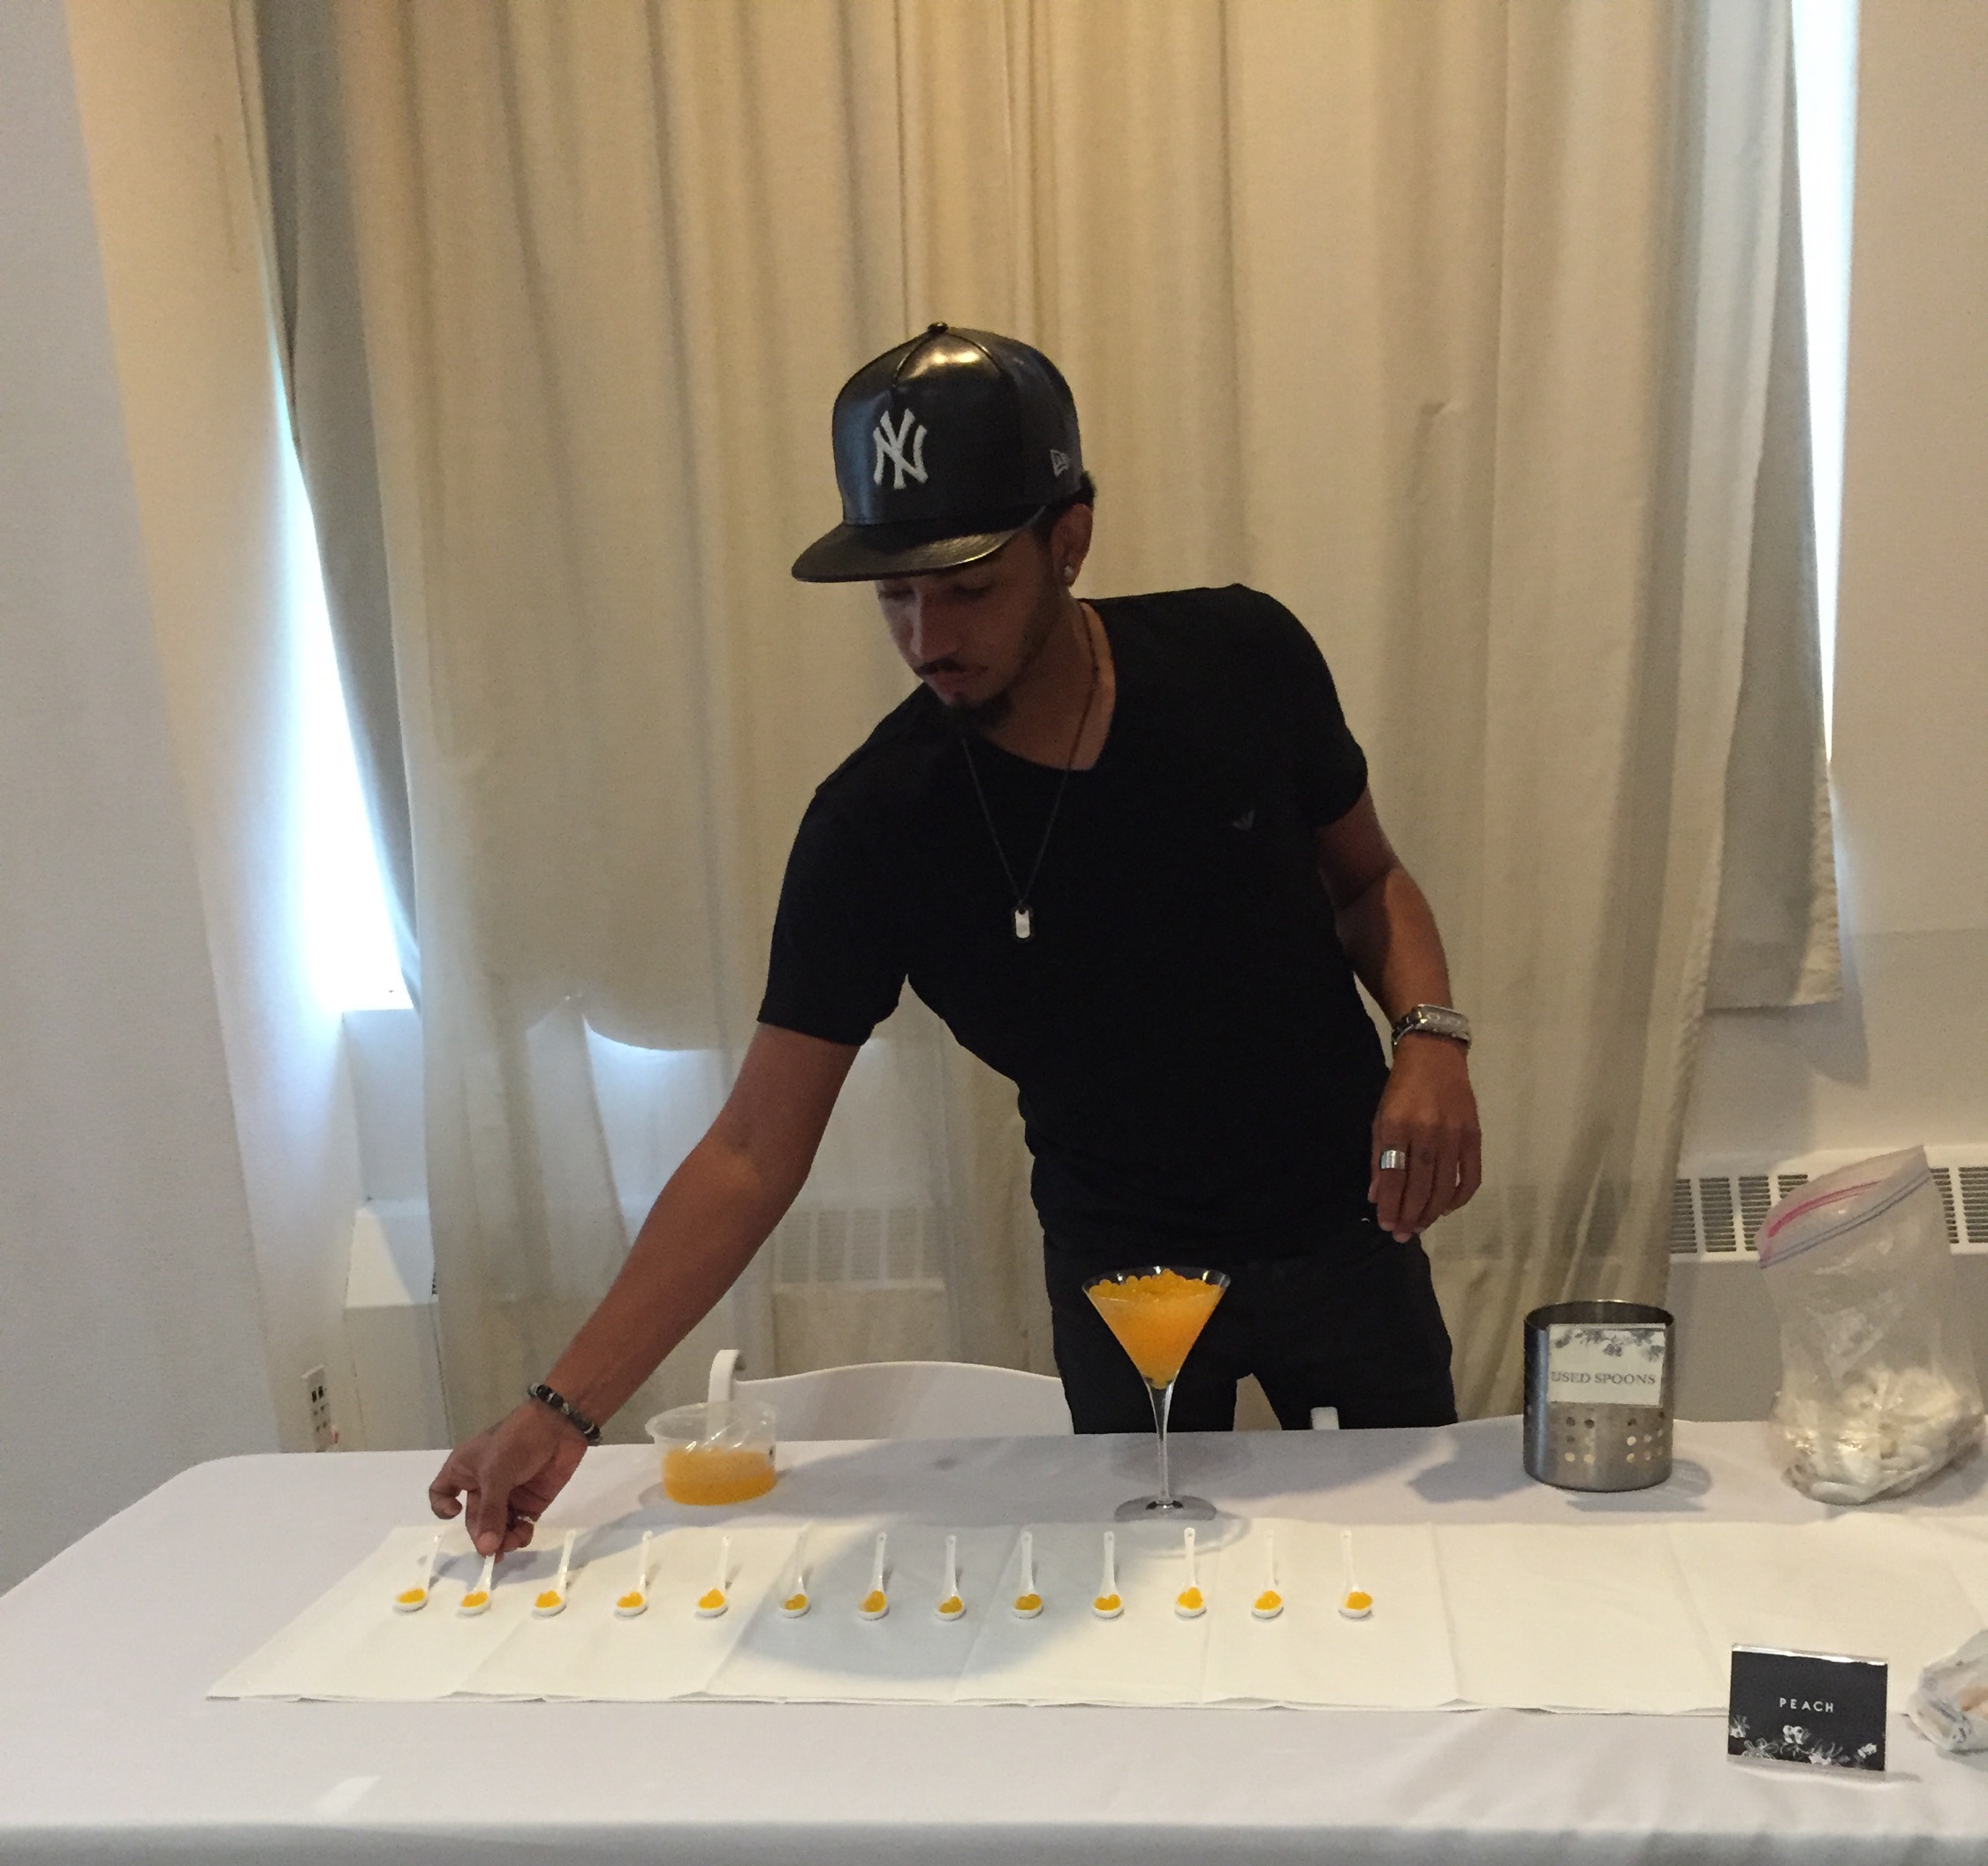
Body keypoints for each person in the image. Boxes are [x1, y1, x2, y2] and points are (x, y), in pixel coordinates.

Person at [433, 324, 1480, 1558]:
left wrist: (1429, 1038)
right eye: (895, 593)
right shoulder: (875, 827)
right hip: (1124, 1277)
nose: (928, 635)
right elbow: (752, 1151)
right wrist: (561, 1409)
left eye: (968, 587)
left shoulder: (1243, 658)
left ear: (1069, 539)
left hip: (1347, 1233)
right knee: (1140, 1587)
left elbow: (1368, 881)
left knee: (1409, 1582)